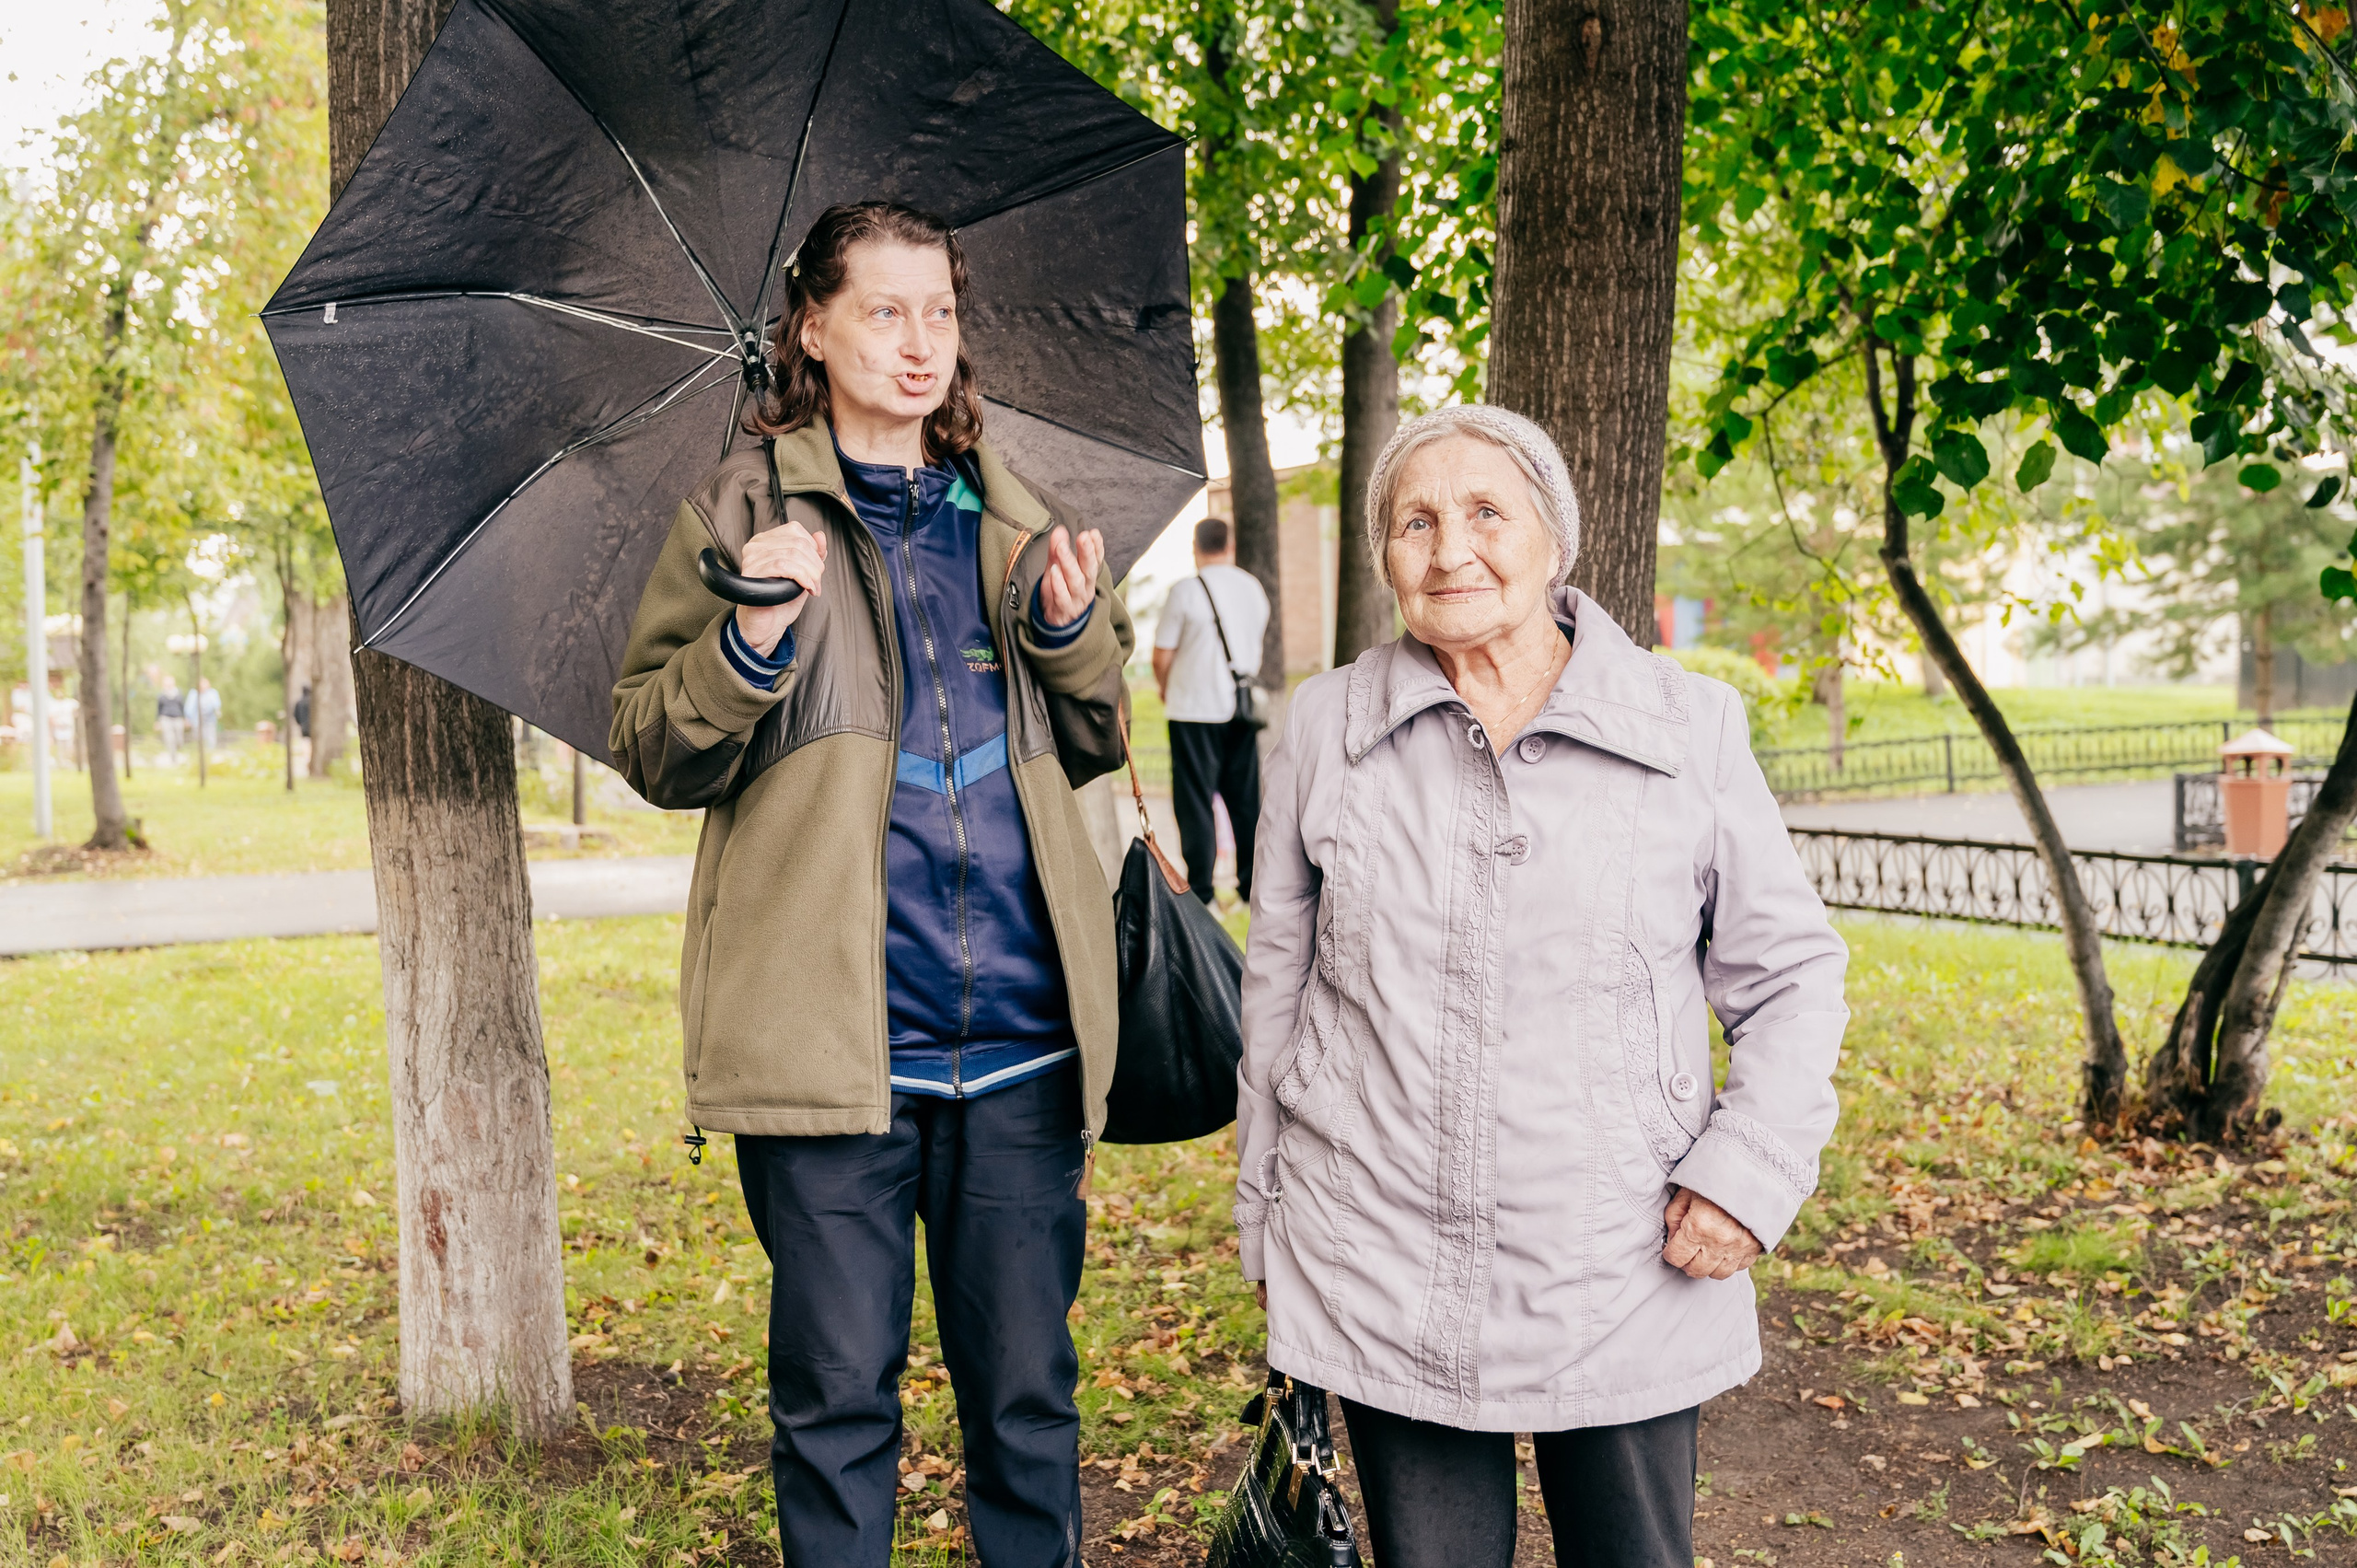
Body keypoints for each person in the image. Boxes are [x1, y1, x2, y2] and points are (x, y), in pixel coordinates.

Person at [1234, 405, 1848, 1568]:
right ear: (1385, 554)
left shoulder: (1688, 724)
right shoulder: (1327, 726)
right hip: (1378, 1248)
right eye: (1414, 519)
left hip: (1618, 1256)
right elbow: (1279, 989)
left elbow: (1792, 975)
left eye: (1483, 512)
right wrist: (1269, 1217)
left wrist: (1747, 1175)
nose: (1448, 547)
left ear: (1553, 540)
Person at [611, 201, 1132, 1568]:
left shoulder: (1017, 515)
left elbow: (1098, 732)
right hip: (836, 1051)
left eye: (941, 313)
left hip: (1020, 1048)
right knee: (837, 1403)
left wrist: (1073, 637)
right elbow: (654, 749)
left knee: (1027, 1403)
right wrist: (753, 637)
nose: (920, 343)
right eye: (886, 311)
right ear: (815, 328)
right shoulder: (737, 513)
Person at [1151, 517, 1269, 903]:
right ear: (1230, 545)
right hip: (1241, 710)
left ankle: (1201, 890)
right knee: (1246, 801)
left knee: (1195, 802)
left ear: (1195, 547)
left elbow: (1161, 655)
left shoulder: (1185, 591)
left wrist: (1166, 687)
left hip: (1193, 711)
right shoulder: (1252, 588)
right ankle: (1252, 885)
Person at [157, 681, 186, 764]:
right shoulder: (161, 695)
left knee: (179, 738)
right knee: (169, 738)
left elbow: (182, 706)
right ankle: (173, 758)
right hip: (165, 718)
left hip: (178, 717)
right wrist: (157, 721)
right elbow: (158, 709)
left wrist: (185, 718)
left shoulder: (179, 694)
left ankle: (178, 749)